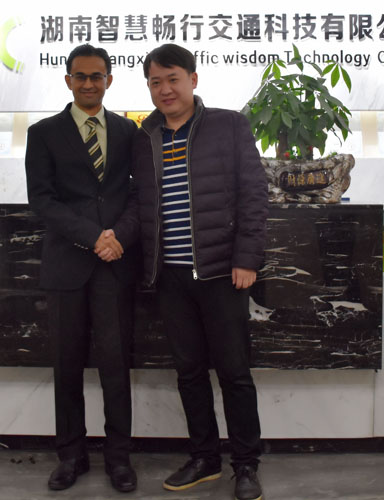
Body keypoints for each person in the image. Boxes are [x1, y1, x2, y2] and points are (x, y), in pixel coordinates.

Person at [113, 43, 268, 500]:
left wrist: (247, 257)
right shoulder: (145, 136)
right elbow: (140, 201)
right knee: (189, 372)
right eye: (155, 82)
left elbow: (254, 193)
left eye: (172, 79)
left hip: (221, 273)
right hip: (170, 276)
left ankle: (246, 464)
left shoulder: (228, 124)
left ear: (193, 80)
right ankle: (204, 458)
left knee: (234, 373)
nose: (165, 89)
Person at [25, 44, 138, 493]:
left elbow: (138, 196)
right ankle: (71, 456)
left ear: (109, 80)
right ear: (68, 80)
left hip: (115, 266)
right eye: (80, 76)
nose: (89, 83)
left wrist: (118, 237)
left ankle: (119, 459)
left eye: (96, 76)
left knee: (116, 366)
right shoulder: (43, 133)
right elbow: (42, 200)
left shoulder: (129, 131)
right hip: (67, 265)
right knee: (66, 366)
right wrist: (93, 237)